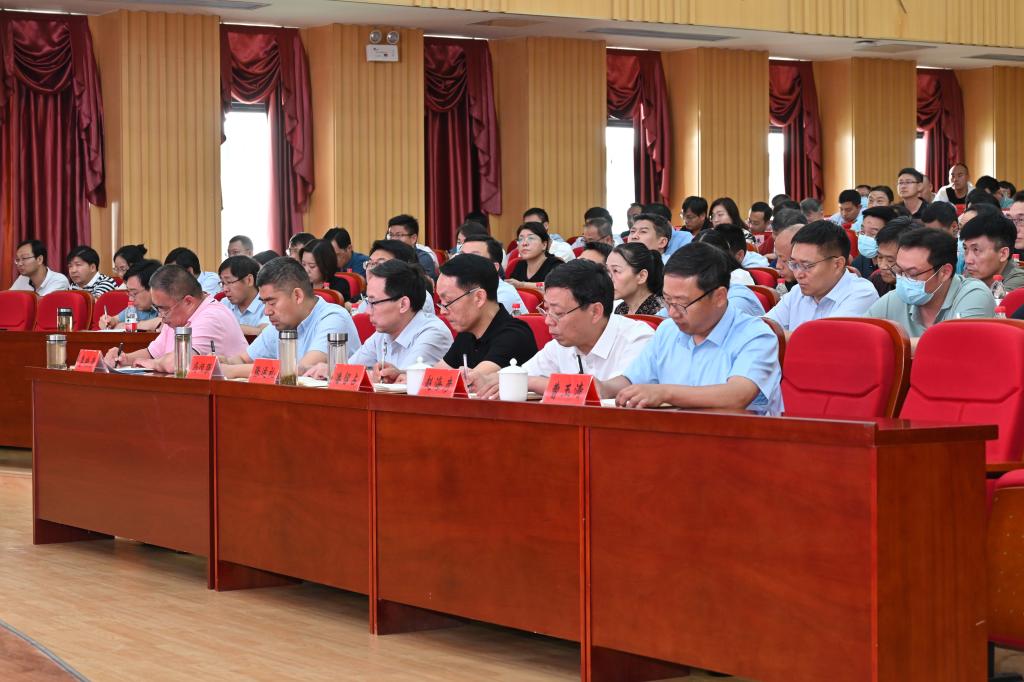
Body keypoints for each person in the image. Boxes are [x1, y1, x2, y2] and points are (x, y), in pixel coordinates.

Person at [599, 243, 782, 415]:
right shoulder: (668, 330)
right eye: (667, 300)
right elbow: (631, 379)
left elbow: (737, 395)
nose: (672, 313)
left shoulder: (756, 336)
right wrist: (601, 387)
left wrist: (665, 393)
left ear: (719, 297)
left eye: (681, 304)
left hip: (737, 435)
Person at [476, 260, 654, 399]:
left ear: (595, 312)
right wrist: (482, 379)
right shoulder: (561, 344)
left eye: (558, 313)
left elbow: (601, 391)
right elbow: (521, 374)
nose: (548, 321)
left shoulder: (638, 339)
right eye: (546, 310)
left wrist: (530, 382)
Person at [306, 259, 451, 382]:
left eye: (373, 302)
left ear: (403, 304)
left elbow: (403, 383)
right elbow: (350, 369)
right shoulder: (383, 333)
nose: (367, 311)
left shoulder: (433, 333)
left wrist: (341, 373)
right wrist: (331, 371)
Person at [221, 257, 361, 378]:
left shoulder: (334, 318)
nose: (267, 311)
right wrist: (222, 362)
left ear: (297, 296)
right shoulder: (282, 323)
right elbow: (243, 360)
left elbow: (302, 370)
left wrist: (232, 371)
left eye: (272, 303)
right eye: (264, 303)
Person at [866, 228, 995, 347]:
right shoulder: (894, 299)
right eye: (899, 271)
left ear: (944, 272)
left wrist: (888, 344)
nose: (903, 279)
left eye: (912, 273)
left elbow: (955, 345)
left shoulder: (974, 294)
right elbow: (861, 335)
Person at [103, 264, 248, 371]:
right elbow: (152, 353)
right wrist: (125, 358)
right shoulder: (176, 316)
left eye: (164, 309)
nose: (161, 316)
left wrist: (153, 364)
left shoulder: (212, 317)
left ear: (188, 301)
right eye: (158, 308)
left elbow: (178, 363)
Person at [426, 254, 537, 392]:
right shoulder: (468, 332)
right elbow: (435, 377)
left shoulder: (514, 335)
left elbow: (471, 381)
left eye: (448, 302)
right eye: (440, 302)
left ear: (479, 298)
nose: (442, 311)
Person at [766, 220, 878, 333]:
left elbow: (821, 340)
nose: (798, 274)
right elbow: (762, 328)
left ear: (837, 264)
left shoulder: (862, 293)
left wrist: (776, 336)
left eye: (807, 266)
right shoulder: (797, 292)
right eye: (794, 264)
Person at [692, 229, 770, 318]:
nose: (697, 267)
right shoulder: (699, 281)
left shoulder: (738, 279)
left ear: (722, 256)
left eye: (704, 261)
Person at [960, 210, 1024, 292]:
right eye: (965, 249)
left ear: (1003, 254)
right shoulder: (970, 274)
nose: (968, 260)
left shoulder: (1018, 281)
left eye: (976, 250)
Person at [459, 235, 525, 314]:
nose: (464, 262)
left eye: (474, 257)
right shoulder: (463, 287)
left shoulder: (502, 294)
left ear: (494, 267)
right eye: (462, 256)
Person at [97, 259, 163, 331]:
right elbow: (115, 320)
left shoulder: (168, 304)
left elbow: (164, 322)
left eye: (134, 293)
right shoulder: (137, 308)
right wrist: (109, 321)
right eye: (129, 293)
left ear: (152, 288)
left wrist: (132, 326)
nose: (130, 299)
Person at [607, 243, 664, 316]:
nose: (608, 278)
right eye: (607, 271)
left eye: (616, 270)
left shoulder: (661, 312)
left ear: (642, 276)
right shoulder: (621, 309)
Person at [218, 255, 270, 335]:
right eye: (222, 283)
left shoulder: (268, 303)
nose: (225, 289)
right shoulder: (225, 303)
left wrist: (223, 327)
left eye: (229, 282)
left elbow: (264, 333)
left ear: (249, 280)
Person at [507, 222, 564, 289]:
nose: (524, 243)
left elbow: (555, 287)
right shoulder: (520, 265)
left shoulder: (556, 265)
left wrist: (522, 285)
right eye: (521, 239)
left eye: (531, 238)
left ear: (544, 245)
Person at [870, 218, 915, 296]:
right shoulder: (876, 280)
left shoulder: (921, 289)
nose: (882, 266)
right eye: (880, 257)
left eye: (890, 260)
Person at [386, 214, 438, 279]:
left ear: (413, 238)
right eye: (391, 235)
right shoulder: (386, 255)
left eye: (399, 235)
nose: (393, 239)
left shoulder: (422, 259)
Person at [851, 206, 897, 278]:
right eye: (862, 232)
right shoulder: (858, 263)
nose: (865, 238)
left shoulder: (898, 265)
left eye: (873, 234)